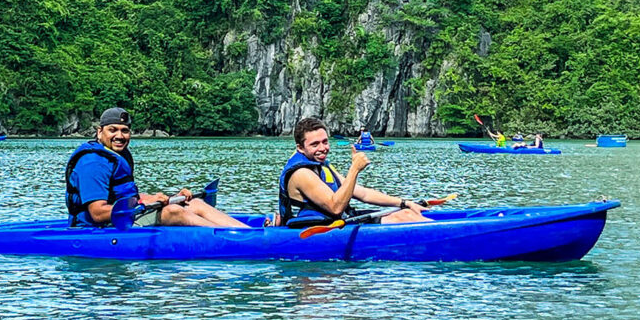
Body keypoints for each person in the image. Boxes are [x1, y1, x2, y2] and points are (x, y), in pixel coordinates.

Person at [65, 107, 248, 229]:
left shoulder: (119, 155)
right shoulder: (93, 163)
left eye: (125, 130)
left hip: (123, 218)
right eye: (113, 130)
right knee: (173, 212)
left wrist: (168, 198)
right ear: (100, 132)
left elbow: (127, 198)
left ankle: (247, 232)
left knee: (193, 203)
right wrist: (146, 204)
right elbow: (97, 213)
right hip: (99, 228)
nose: (119, 136)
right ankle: (238, 240)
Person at [278, 116, 430, 228]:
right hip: (320, 226)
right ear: (300, 148)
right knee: (405, 217)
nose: (323, 148)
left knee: (408, 213)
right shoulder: (302, 173)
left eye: (325, 142)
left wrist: (404, 203)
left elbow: (363, 194)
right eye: (315, 144)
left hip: (337, 220)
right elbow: (335, 207)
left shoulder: (321, 165)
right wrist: (354, 169)